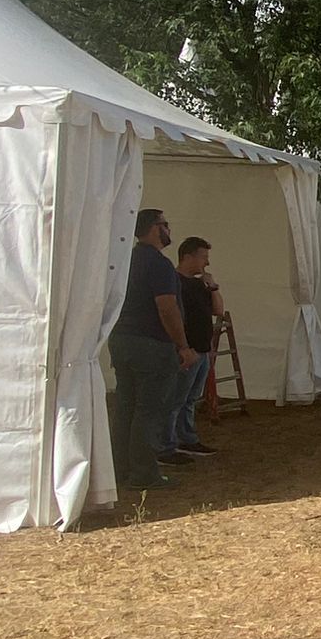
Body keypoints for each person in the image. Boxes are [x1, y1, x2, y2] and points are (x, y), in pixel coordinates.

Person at [108, 207, 200, 491]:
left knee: (126, 407)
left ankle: (119, 469)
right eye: (165, 224)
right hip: (151, 345)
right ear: (153, 228)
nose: (169, 229)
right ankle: (144, 473)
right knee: (150, 410)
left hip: (122, 341)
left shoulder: (126, 260)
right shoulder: (158, 264)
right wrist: (183, 346)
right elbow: (167, 307)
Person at [165, 236, 224, 459]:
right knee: (176, 399)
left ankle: (187, 438)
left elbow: (217, 310)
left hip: (201, 349)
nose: (206, 263)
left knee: (190, 398)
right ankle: (168, 443)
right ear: (188, 257)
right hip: (186, 349)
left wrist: (213, 287)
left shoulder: (200, 284)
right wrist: (183, 347)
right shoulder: (174, 282)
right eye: (203, 257)